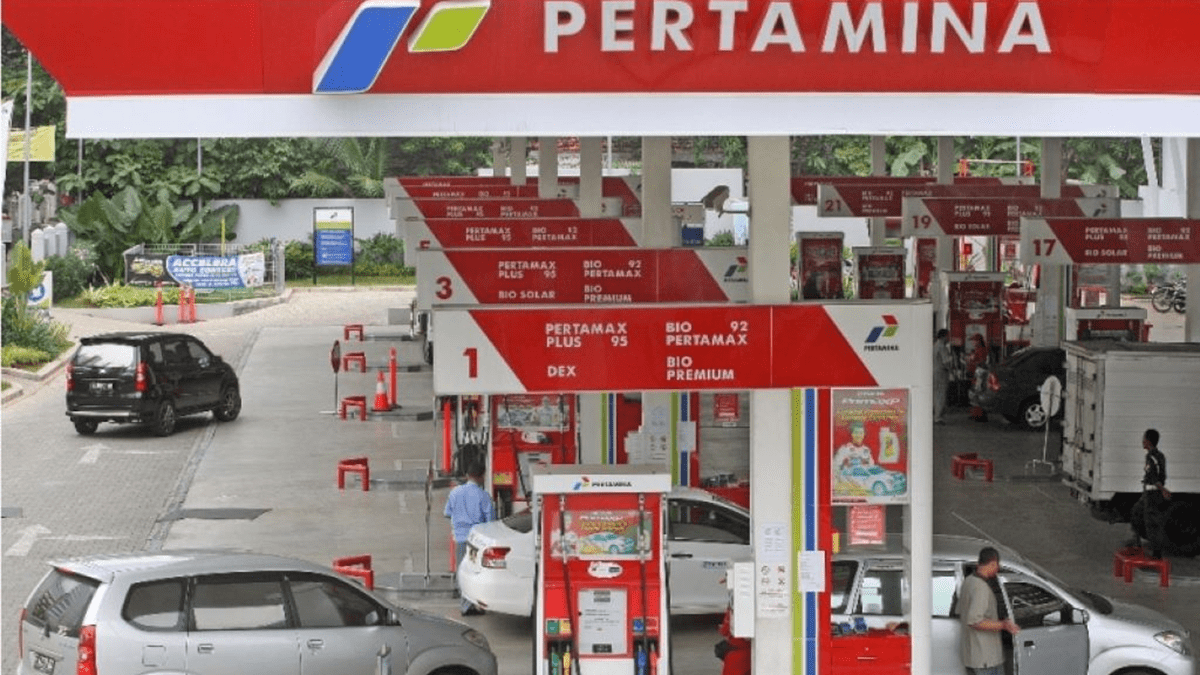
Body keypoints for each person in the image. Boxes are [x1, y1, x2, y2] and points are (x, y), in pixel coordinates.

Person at [960, 547, 1019, 675]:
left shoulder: (968, 581)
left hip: (974, 656)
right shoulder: (981, 588)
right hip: (986, 659)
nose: (998, 569)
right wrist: (1004, 625)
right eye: (997, 565)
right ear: (992, 563)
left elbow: (961, 612)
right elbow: (974, 621)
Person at [444, 461, 494, 615]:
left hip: (460, 538)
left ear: (467, 475)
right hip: (476, 541)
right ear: (481, 476)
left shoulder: (455, 493)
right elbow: (491, 521)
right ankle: (469, 606)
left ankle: (466, 604)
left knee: (462, 570)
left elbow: (447, 513)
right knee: (474, 571)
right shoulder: (483, 496)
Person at [1128, 428, 1169, 559]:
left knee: (1151, 523)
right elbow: (1161, 475)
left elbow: (1154, 476)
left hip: (1152, 494)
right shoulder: (1159, 455)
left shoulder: (1151, 457)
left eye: (1144, 439)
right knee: (1136, 512)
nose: (1142, 441)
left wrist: (1162, 489)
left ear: (1148, 441)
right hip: (1149, 492)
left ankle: (1157, 554)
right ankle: (1137, 543)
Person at [933, 329, 953, 424]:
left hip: (934, 373)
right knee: (941, 395)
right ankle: (938, 418)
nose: (949, 338)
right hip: (941, 373)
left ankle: (935, 415)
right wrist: (951, 371)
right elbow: (946, 362)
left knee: (936, 394)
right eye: (948, 336)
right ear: (944, 336)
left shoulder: (934, 346)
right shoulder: (942, 347)